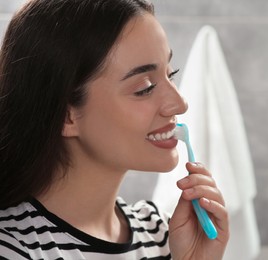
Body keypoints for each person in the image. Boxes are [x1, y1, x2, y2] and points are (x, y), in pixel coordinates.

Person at [0, 0, 229, 259]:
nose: (180, 103)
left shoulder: (164, 234)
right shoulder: (13, 248)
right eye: (144, 87)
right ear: (66, 116)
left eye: (171, 73)